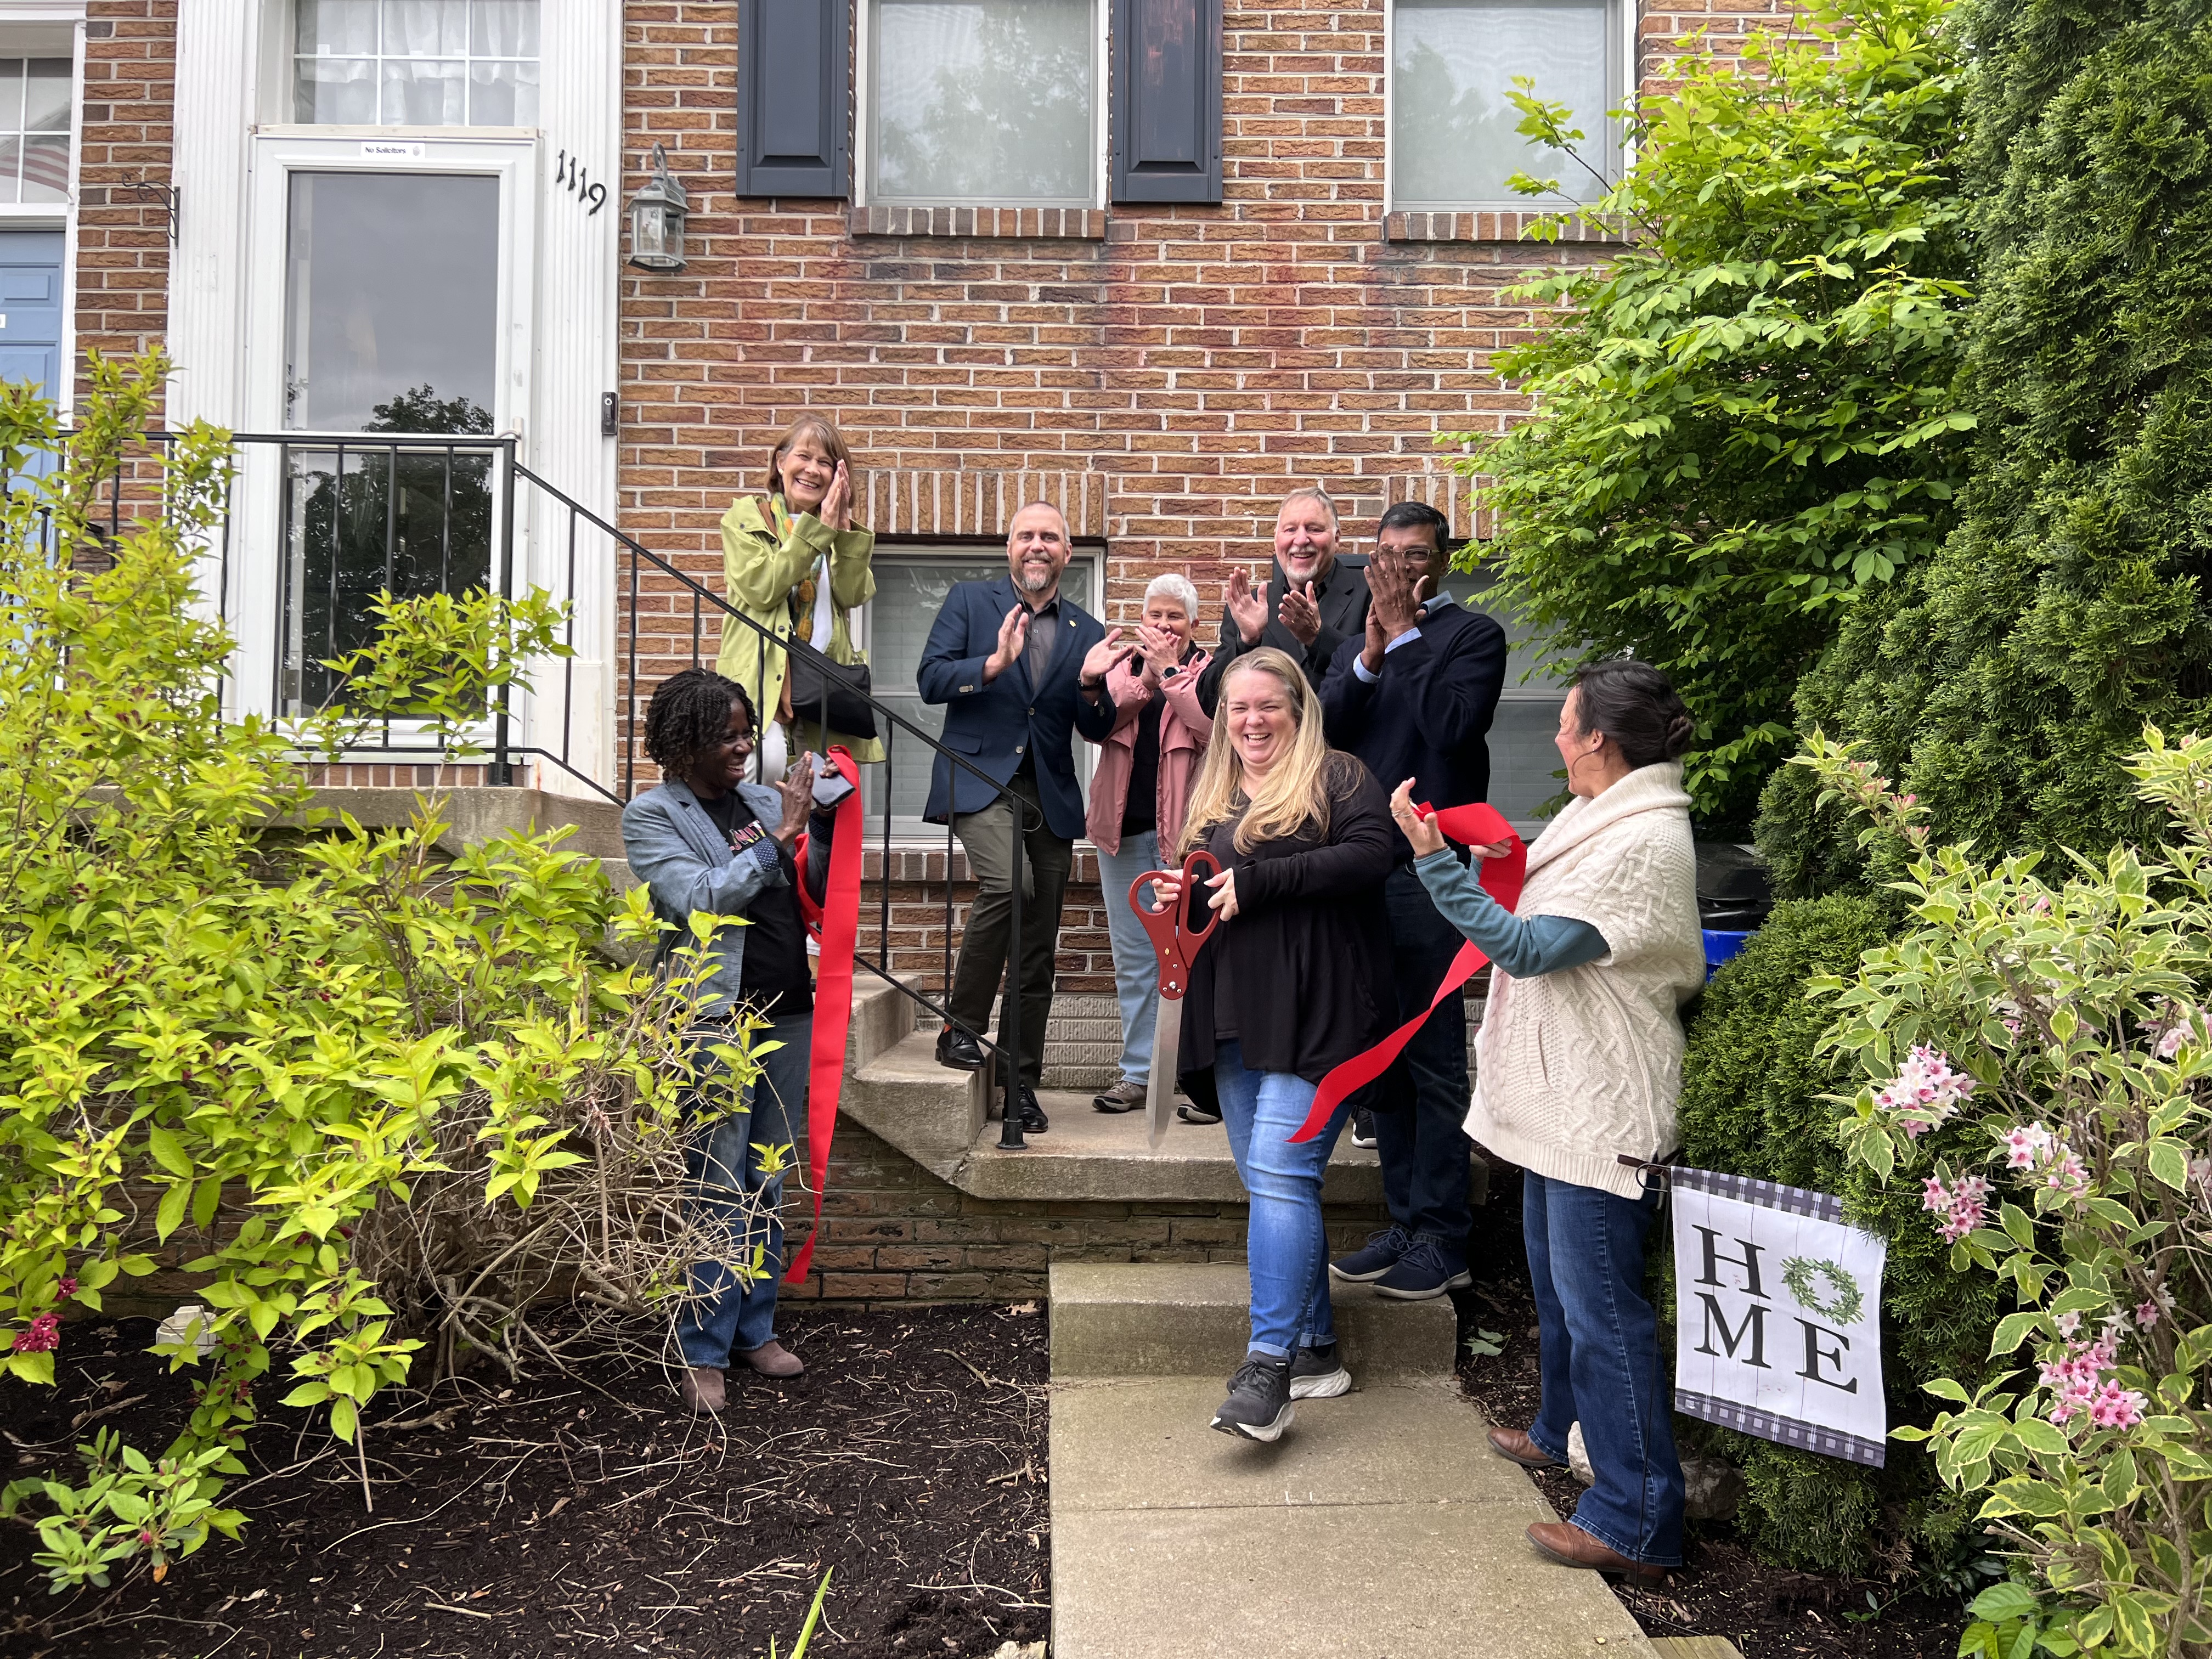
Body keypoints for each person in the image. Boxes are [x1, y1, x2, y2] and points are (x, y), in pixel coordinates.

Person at [1390, 658, 1703, 1583]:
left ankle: (1638, 1516)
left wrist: (1434, 864)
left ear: (1597, 739)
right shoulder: (1598, 816)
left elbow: (1527, 946)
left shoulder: (1643, 840)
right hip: (1559, 1104)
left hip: (1602, 1112)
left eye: (1564, 724)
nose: (1557, 737)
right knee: (1562, 1296)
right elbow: (1548, 909)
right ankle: (1552, 1430)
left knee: (1604, 1314)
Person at [1150, 647, 1396, 1441]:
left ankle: (1267, 1370)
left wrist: (1257, 884)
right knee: (1272, 1180)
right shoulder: (1215, 792)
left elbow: (1372, 856)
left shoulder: (1339, 777)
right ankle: (1318, 1348)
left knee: (1284, 1172)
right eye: (1238, 709)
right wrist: (1181, 893)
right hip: (1235, 1010)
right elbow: (1213, 891)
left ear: (1299, 709)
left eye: (1269, 707)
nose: (1252, 722)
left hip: (1320, 1008)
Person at [621, 667, 837, 1413]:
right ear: (686, 744)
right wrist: (778, 839)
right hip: (716, 1018)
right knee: (716, 1179)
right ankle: (702, 1349)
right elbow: (697, 897)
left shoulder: (754, 800)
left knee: (768, 1177)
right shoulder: (651, 817)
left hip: (787, 1010)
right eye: (730, 736)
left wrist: (825, 822)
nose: (745, 747)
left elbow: (805, 880)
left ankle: (754, 1330)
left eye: (748, 732)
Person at [1320, 501, 1508, 1299]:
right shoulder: (1363, 634)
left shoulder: (1472, 637)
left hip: (1430, 876)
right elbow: (1325, 728)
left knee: (1430, 1057)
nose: (1396, 570)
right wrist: (1363, 659)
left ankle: (1445, 1238)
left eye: (1415, 556)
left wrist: (1401, 639)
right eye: (1386, 555)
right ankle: (1404, 1219)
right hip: (1361, 871)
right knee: (1381, 1058)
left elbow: (1453, 727)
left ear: (1441, 563)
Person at [917, 503, 1125, 1131]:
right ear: (1010, 548)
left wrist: (1092, 688)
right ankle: (962, 1024)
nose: (1038, 546)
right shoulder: (969, 602)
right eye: (1026, 536)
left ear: (1066, 552)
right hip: (980, 779)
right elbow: (929, 679)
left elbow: (1095, 727)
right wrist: (993, 665)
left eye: (1050, 538)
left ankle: (1020, 1083)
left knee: (1037, 948)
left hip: (1051, 793)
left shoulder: (1088, 630)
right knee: (1011, 886)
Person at [1081, 572, 1213, 1114]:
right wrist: (1094, 683)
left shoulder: (1209, 670)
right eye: (1155, 616)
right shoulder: (1122, 671)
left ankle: (1204, 1082)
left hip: (1184, 842)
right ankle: (1138, 1074)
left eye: (1174, 617)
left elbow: (1212, 730)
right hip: (1123, 835)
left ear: (1193, 625)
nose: (1163, 626)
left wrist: (1171, 675)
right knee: (1136, 959)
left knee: (1195, 958)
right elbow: (1092, 726)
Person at [715, 415, 882, 782]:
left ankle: (802, 841)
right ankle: (761, 841)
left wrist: (841, 533)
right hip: (763, 680)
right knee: (767, 763)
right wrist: (816, 531)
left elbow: (853, 594)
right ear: (780, 462)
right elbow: (763, 588)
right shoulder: (747, 517)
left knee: (826, 788)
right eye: (804, 457)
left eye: (826, 463)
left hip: (822, 684)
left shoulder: (835, 532)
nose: (813, 470)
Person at [1194, 487, 1370, 714]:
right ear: (1276, 540)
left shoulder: (1369, 594)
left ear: (1337, 539)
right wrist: (1247, 642)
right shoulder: (1252, 605)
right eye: (1290, 529)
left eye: (1314, 529)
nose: (1301, 539)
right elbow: (1210, 703)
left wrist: (1319, 639)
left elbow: (1386, 682)